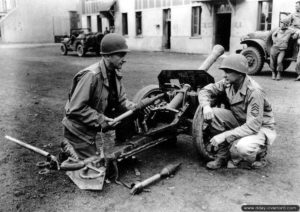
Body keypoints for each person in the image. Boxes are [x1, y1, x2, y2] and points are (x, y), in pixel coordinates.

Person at [61, 33, 136, 160]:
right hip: (78, 129)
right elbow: (75, 109)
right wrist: (100, 119)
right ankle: (67, 147)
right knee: (95, 167)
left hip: (93, 121)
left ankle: (122, 145)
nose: (124, 59)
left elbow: (121, 101)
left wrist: (133, 106)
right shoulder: (91, 76)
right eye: (121, 55)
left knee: (129, 112)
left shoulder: (115, 72)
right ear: (107, 56)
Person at [198, 54, 277, 170]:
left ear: (240, 73)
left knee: (243, 147)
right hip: (240, 120)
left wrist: (224, 135)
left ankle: (261, 152)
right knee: (213, 114)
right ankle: (222, 156)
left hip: (259, 127)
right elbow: (205, 90)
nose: (224, 75)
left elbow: (253, 126)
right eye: (225, 71)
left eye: (228, 71)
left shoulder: (255, 92)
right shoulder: (228, 82)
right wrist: (206, 106)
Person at [287, 0, 300, 81]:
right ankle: (290, 52)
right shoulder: (292, 15)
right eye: (295, 6)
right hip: (294, 29)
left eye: (297, 6)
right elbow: (286, 22)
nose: (296, 7)